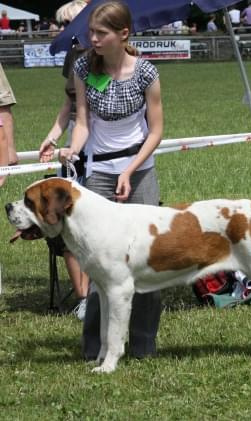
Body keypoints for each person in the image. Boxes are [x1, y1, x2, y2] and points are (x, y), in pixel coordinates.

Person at [55, 0, 163, 360]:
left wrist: (130, 171)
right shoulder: (84, 67)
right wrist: (72, 149)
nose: (93, 40)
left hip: (140, 169)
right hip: (98, 174)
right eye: (91, 33)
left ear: (123, 34)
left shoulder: (146, 72)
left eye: (100, 34)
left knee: (147, 262)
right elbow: (82, 122)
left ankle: (144, 346)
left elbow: (157, 131)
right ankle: (94, 349)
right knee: (100, 266)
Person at [38, 0, 89, 320]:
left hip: (100, 152)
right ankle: (84, 297)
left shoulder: (108, 59)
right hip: (73, 151)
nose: (61, 30)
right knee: (67, 225)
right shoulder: (72, 57)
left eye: (66, 23)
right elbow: (68, 103)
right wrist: (53, 135)